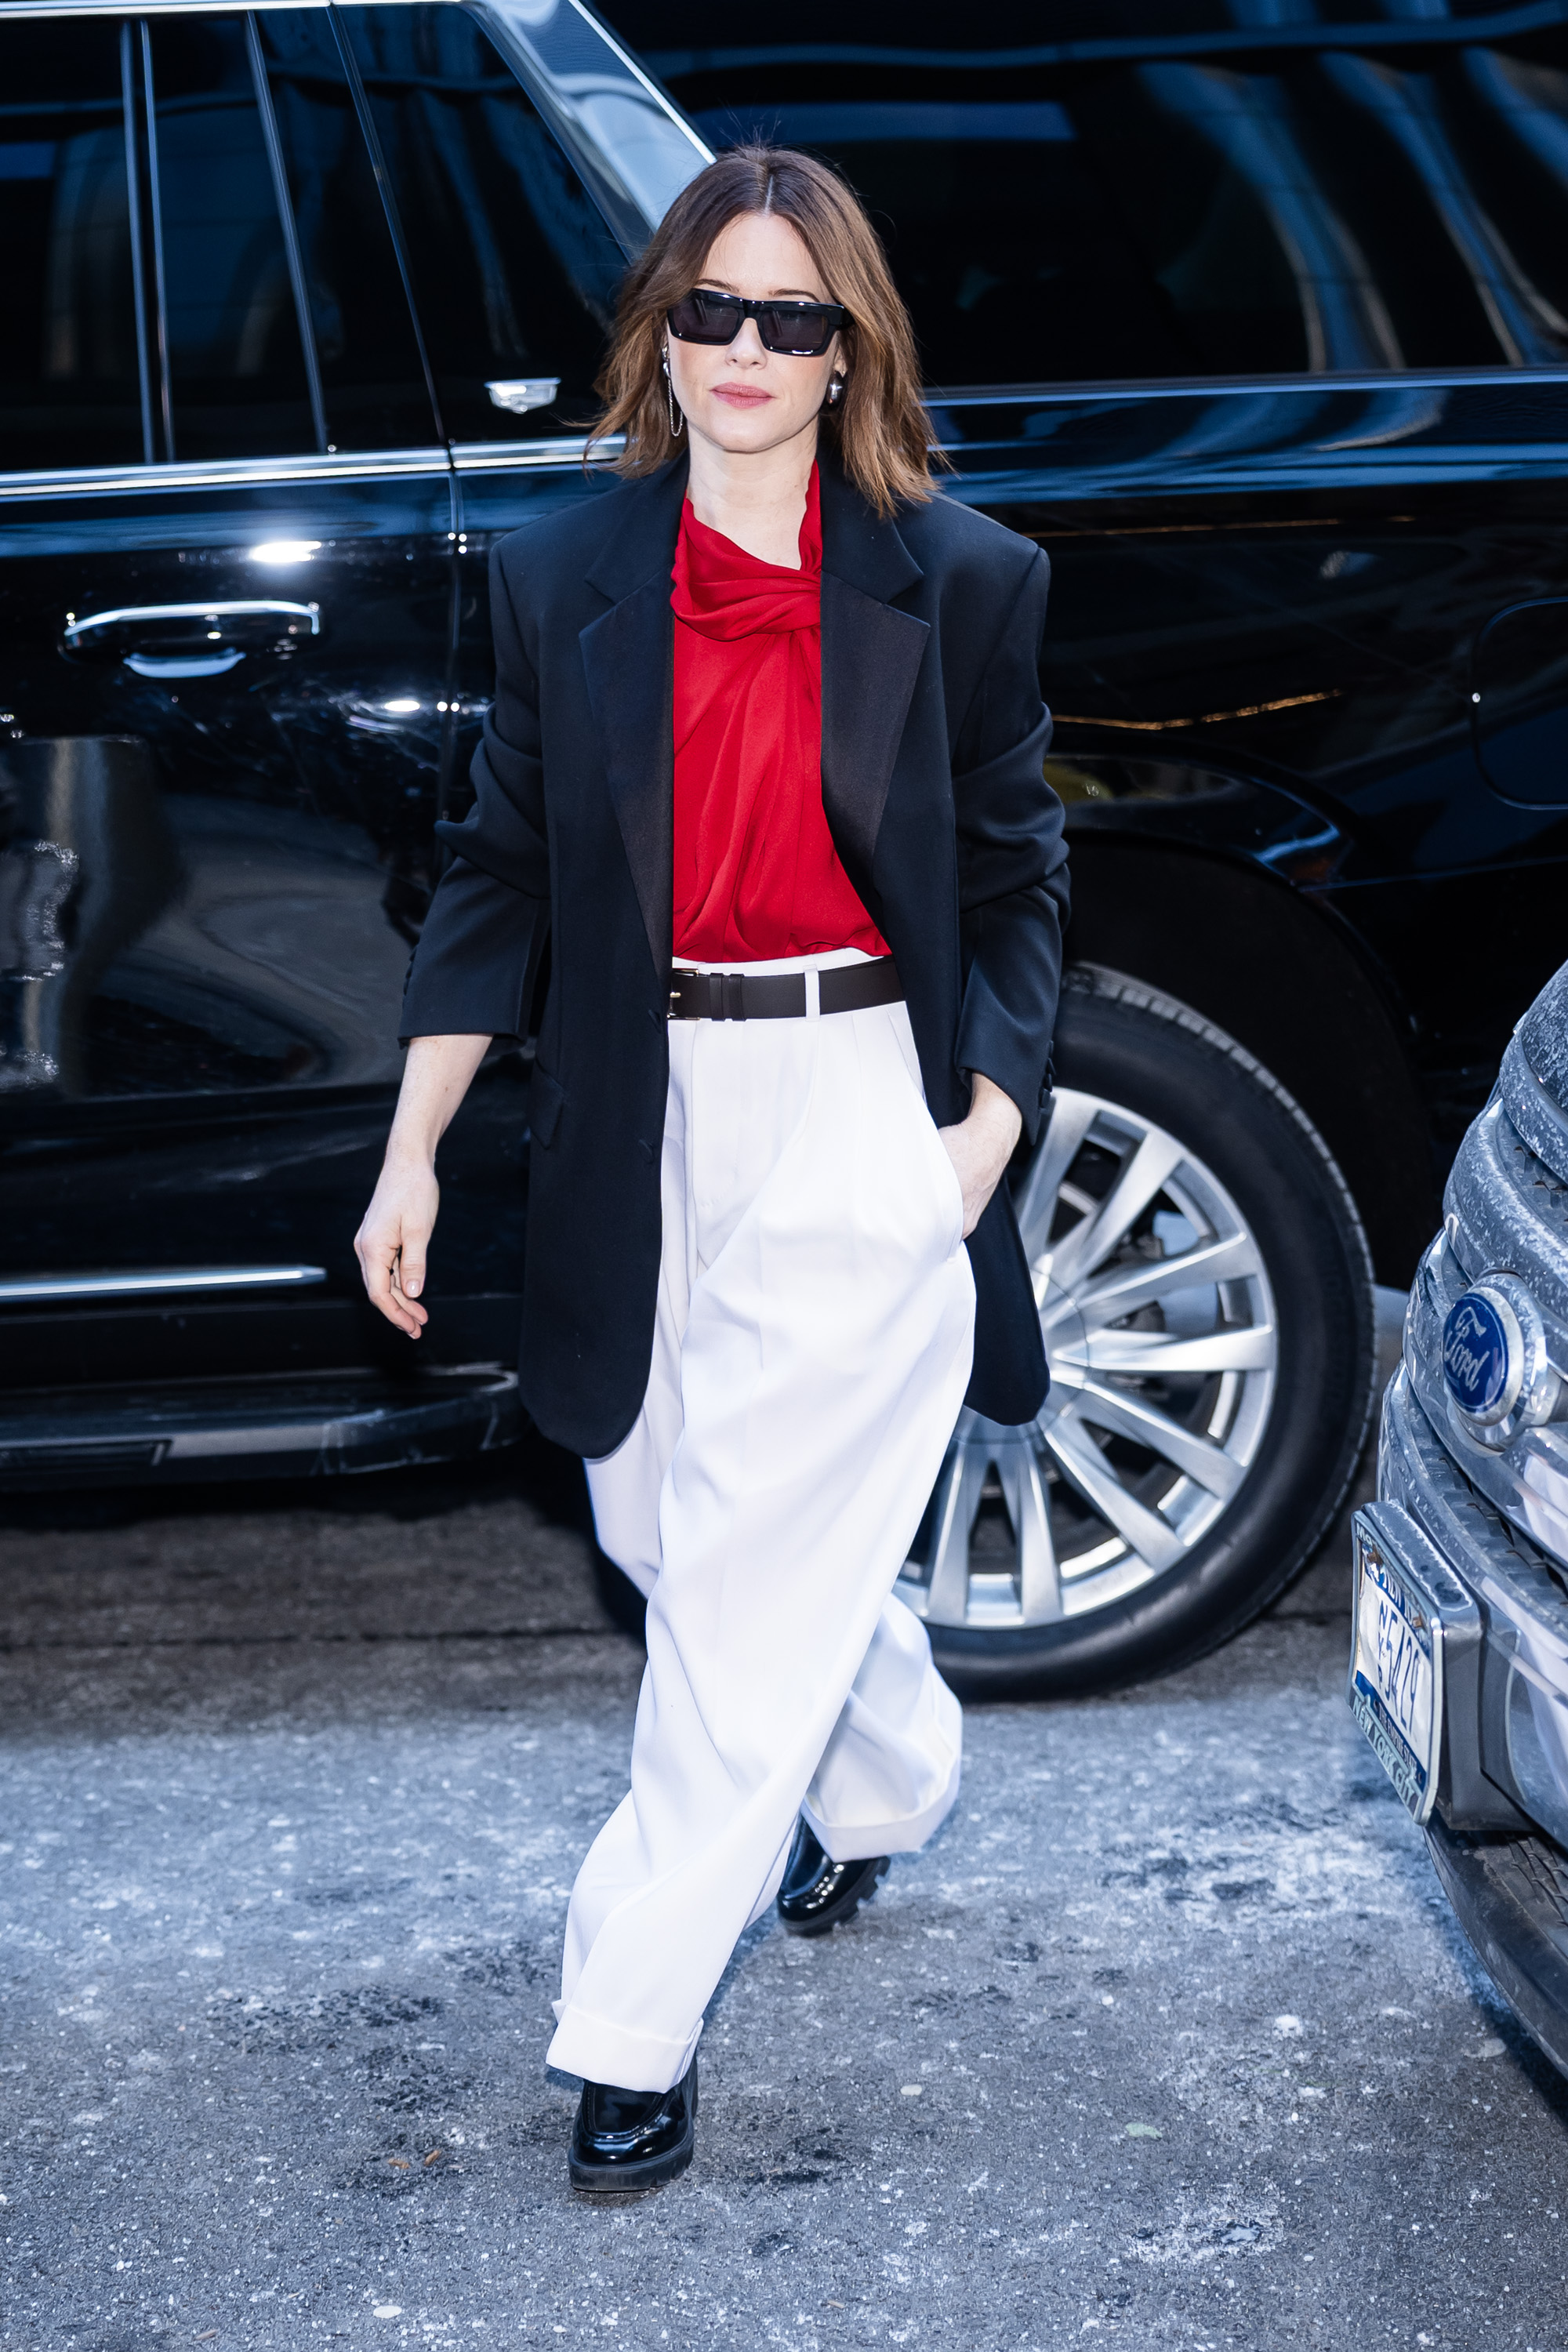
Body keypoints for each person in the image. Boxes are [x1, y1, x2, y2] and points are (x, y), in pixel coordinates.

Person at [354, 144, 1069, 2198]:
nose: (747, 353)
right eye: (711, 311)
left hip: (862, 1113)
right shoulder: (571, 576)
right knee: (677, 1532)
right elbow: (497, 877)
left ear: (852, 351)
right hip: (641, 1113)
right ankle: (894, 1770)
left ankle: (628, 2029)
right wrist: (411, 1152)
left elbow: (1024, 878)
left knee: (736, 1607)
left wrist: (985, 1131)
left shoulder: (968, 580)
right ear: (663, 331)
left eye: (794, 320)